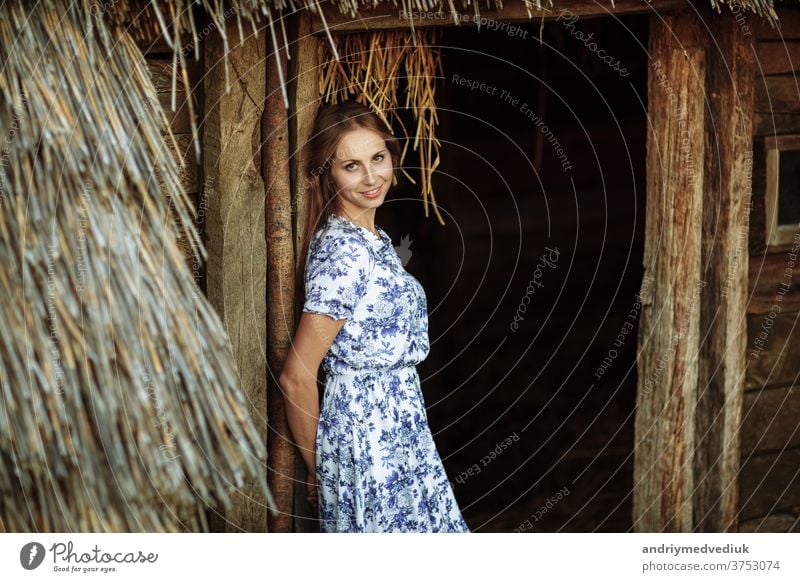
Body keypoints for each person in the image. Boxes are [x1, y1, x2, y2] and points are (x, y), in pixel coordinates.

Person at [278, 99, 470, 533]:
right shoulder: (343, 252)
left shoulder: (373, 238)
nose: (370, 177)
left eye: (378, 158)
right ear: (327, 173)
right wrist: (322, 469)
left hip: (402, 427)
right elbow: (296, 375)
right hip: (366, 439)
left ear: (392, 157)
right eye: (351, 165)